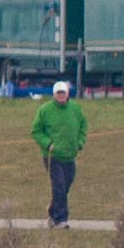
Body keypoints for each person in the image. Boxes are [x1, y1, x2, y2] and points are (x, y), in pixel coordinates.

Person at [31, 81, 87, 229]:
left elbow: (83, 126)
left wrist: (79, 143)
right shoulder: (45, 110)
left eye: (63, 93)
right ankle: (60, 219)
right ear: (54, 95)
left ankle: (52, 211)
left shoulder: (75, 109)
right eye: (58, 93)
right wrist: (48, 144)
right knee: (59, 185)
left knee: (65, 185)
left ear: (67, 94)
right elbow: (36, 131)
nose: (61, 96)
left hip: (70, 155)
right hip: (52, 156)